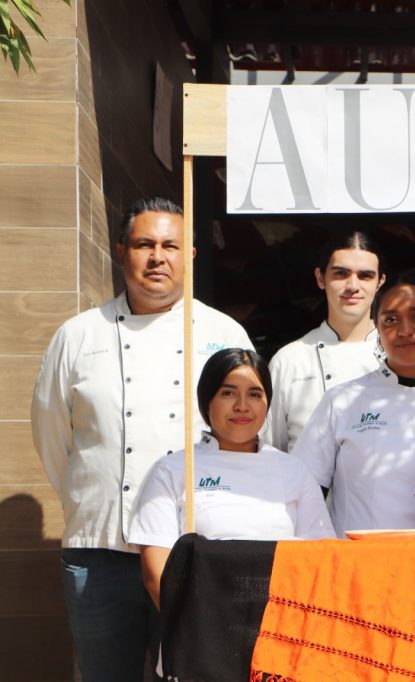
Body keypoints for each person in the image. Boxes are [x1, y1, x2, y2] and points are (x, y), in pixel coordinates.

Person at [31, 197, 253, 682]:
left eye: (170, 246)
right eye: (144, 245)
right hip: (100, 550)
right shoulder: (78, 335)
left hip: (195, 550)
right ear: (121, 251)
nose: (157, 257)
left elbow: (248, 435)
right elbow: (51, 435)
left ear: (189, 255)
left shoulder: (223, 333)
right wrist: (94, 495)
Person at [128, 348, 334, 607]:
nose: (242, 406)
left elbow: (321, 558)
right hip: (202, 621)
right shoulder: (172, 471)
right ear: (206, 401)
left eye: (255, 394)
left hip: (282, 620)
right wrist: (195, 626)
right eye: (228, 393)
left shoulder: (294, 470)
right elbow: (156, 575)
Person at [293, 273, 415, 534]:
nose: (405, 330)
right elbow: (304, 492)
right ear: (376, 327)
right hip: (357, 557)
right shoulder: (342, 402)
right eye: (391, 320)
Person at [268, 231, 386, 451]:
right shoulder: (289, 360)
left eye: (365, 276)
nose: (353, 286)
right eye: (341, 274)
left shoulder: (399, 357)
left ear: (380, 282)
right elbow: (270, 453)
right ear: (320, 278)